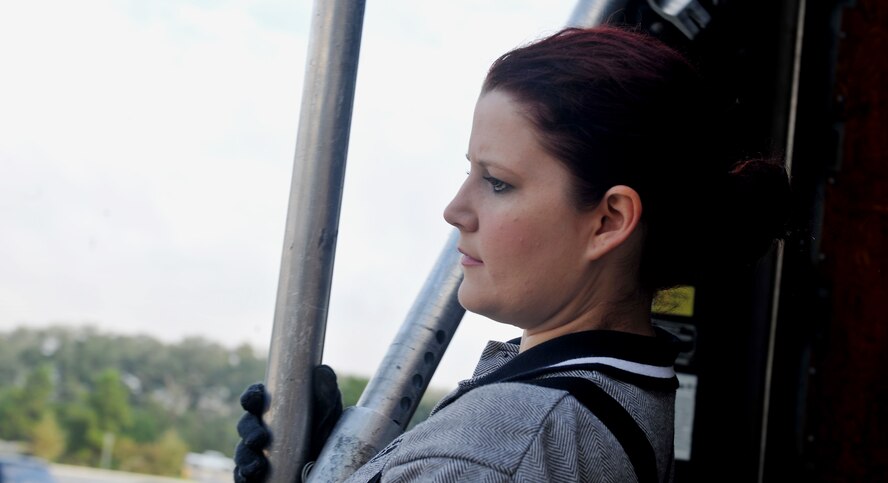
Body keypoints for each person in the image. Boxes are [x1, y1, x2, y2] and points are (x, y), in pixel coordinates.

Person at [235, 26, 790, 483]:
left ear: (609, 221)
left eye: (497, 182)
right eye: (469, 171)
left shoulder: (501, 455)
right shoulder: (619, 395)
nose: (456, 209)